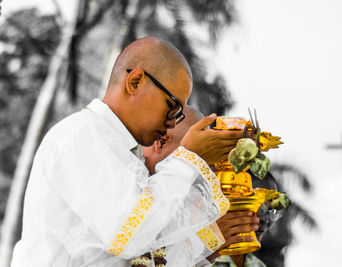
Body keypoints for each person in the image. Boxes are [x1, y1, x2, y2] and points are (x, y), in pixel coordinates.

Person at [11, 36, 243, 267]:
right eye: (172, 107)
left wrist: (205, 242)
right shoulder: (83, 134)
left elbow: (143, 250)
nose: (172, 123)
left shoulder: (123, 152)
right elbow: (130, 233)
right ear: (135, 81)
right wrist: (188, 159)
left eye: (179, 114)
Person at [142, 106, 274, 267]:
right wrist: (202, 242)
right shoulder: (122, 184)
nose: (205, 176)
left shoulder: (175, 202)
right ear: (162, 142)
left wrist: (207, 252)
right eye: (200, 161)